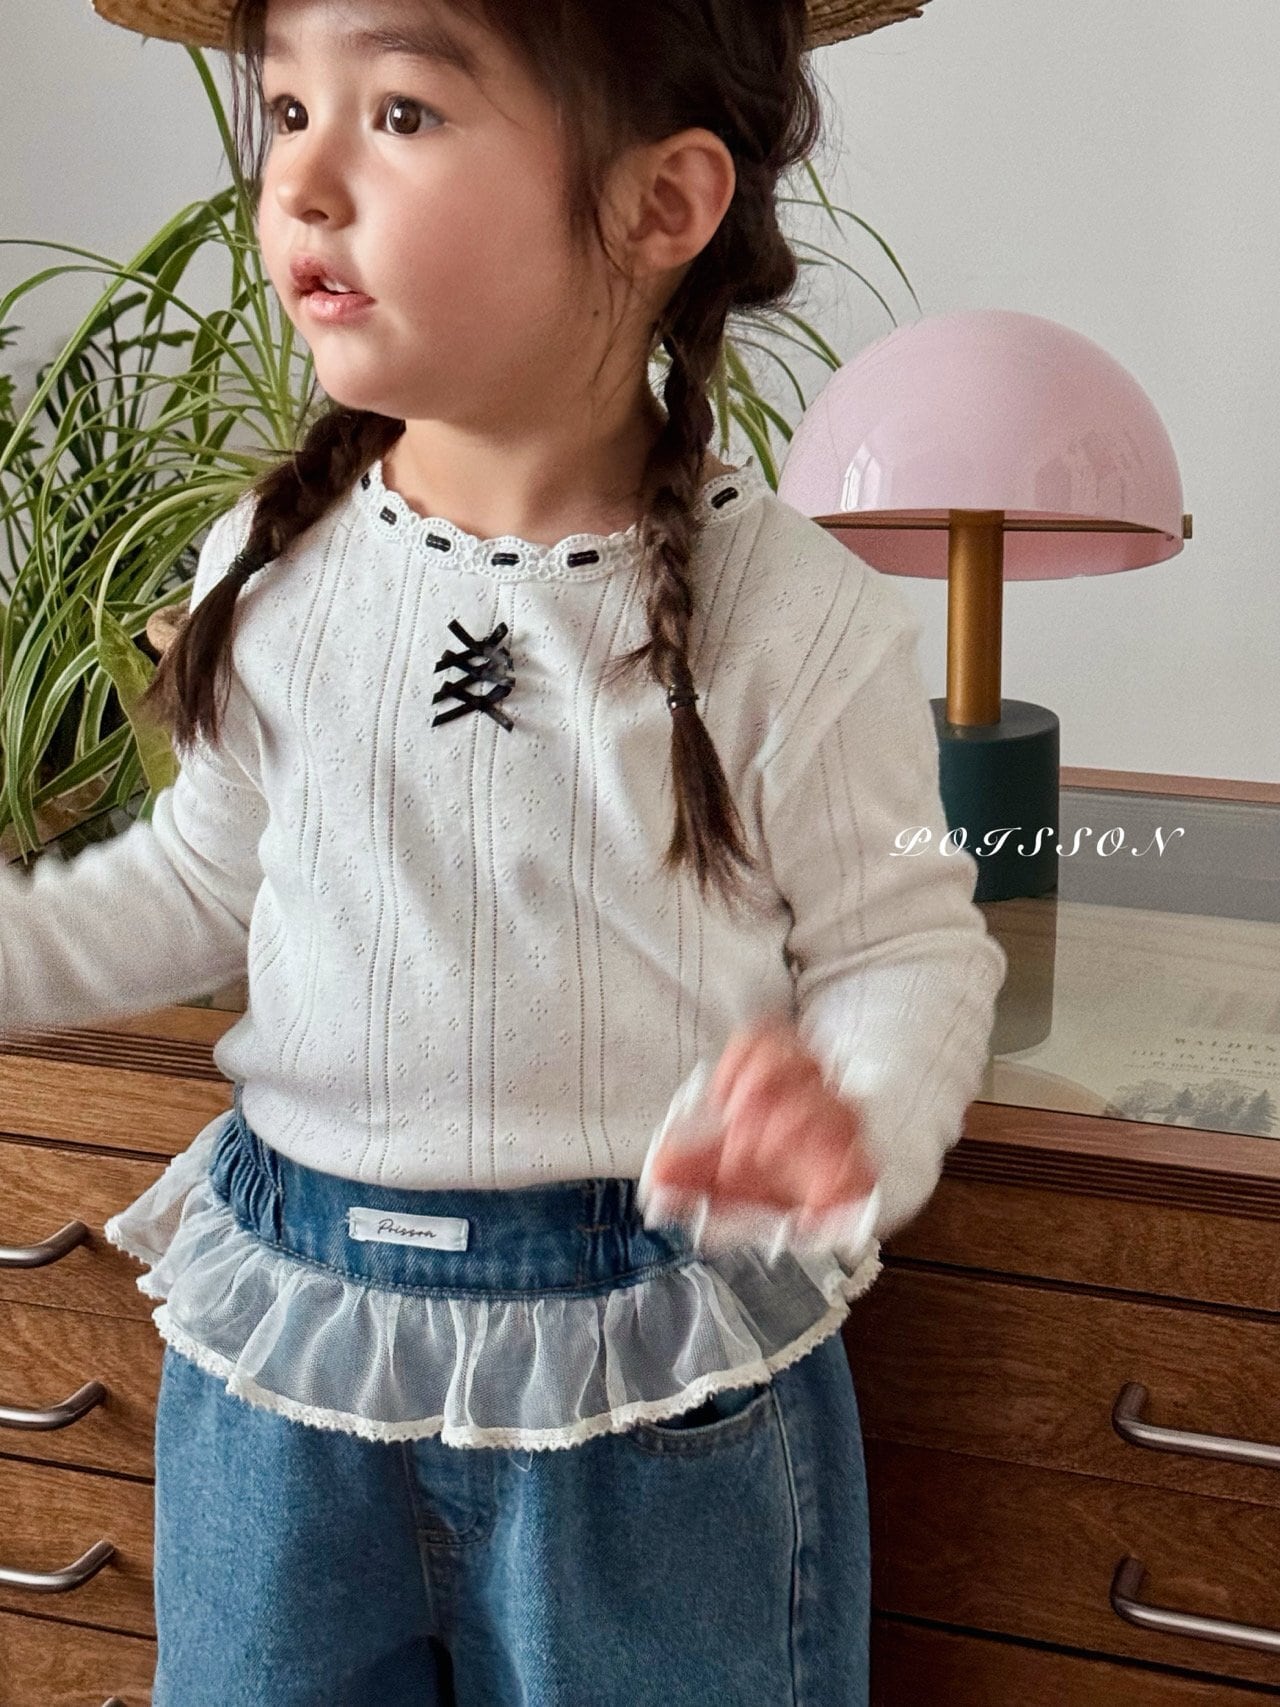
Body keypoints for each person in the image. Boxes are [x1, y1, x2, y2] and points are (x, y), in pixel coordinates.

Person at [1, 0, 1005, 1700]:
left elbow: (905, 945)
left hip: (653, 1393)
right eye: (286, 108)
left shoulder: (791, 615)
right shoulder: (275, 564)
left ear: (659, 203)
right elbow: (196, 880)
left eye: (399, 112)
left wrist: (856, 1114)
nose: (301, 179)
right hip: (290, 1370)